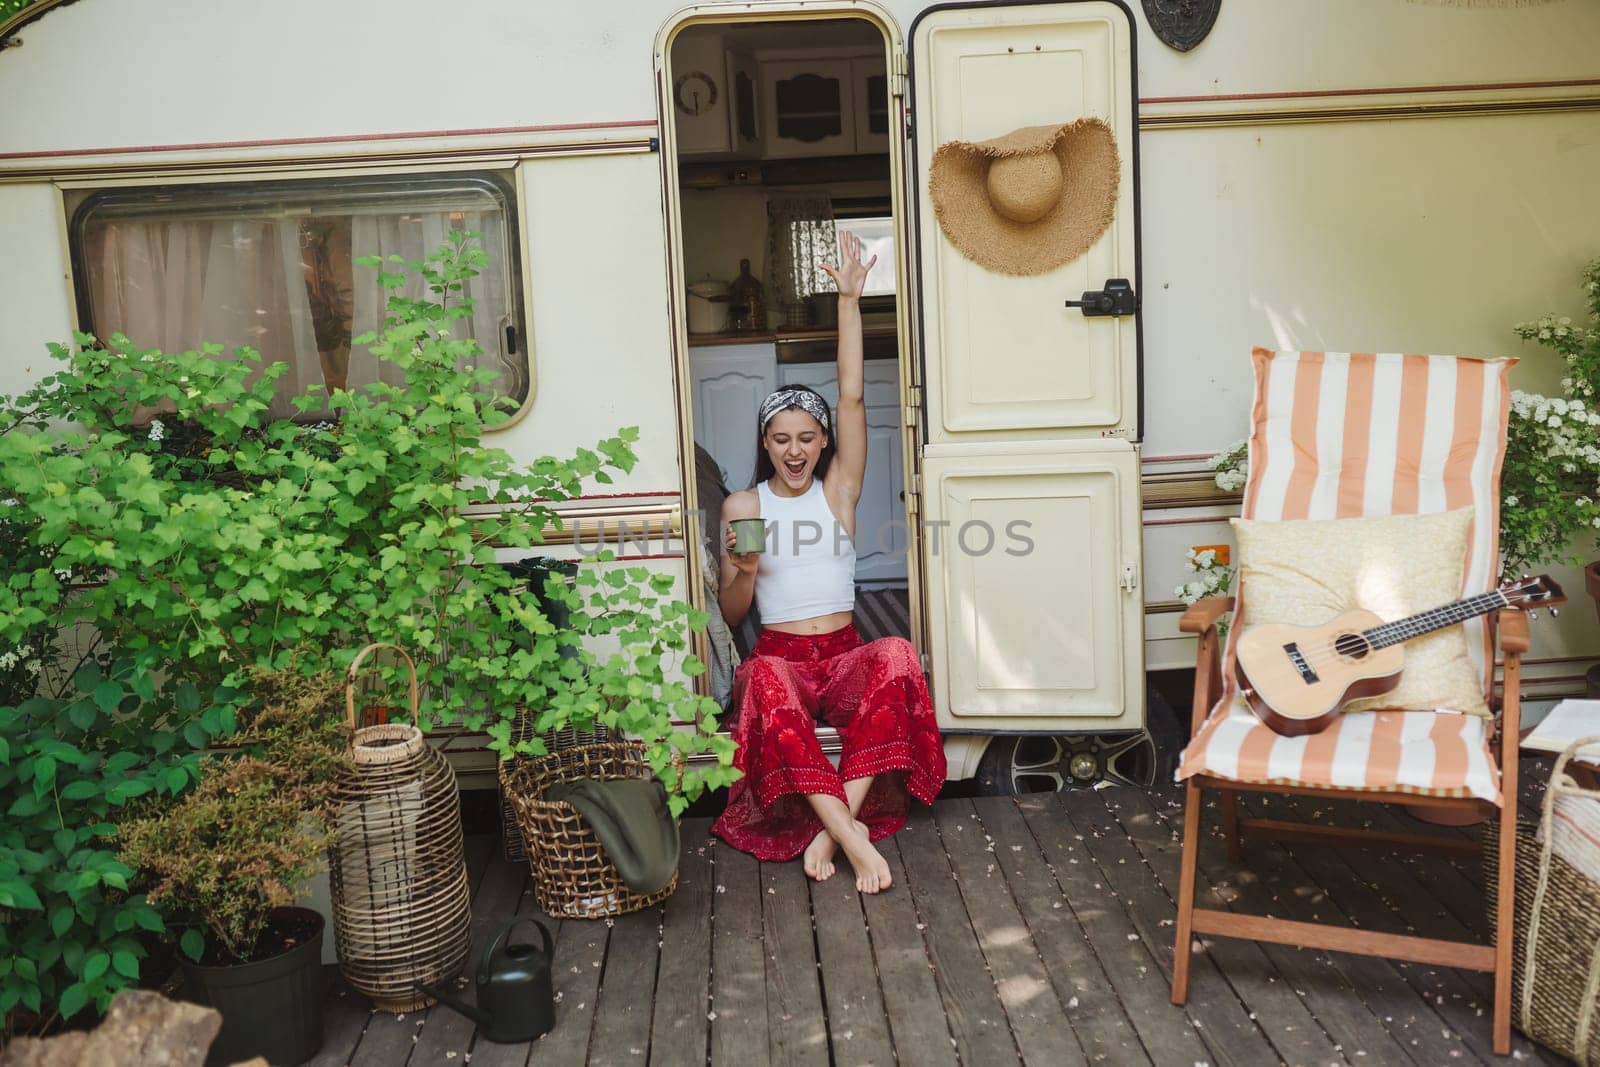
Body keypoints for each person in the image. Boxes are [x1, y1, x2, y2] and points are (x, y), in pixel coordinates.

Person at [711, 231, 946, 894]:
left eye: (806, 438)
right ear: (765, 442)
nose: (794, 450)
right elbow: (732, 614)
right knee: (759, 677)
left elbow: (852, 395)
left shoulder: (836, 491)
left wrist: (851, 299)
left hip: (842, 656)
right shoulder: (741, 503)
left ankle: (826, 828)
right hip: (784, 656)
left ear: (821, 444)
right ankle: (851, 832)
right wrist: (747, 572)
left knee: (898, 653)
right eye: (780, 438)